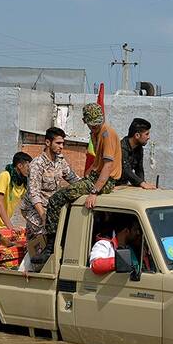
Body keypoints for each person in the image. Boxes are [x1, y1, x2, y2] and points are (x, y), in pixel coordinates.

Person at [37, 104, 122, 258]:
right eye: (92, 125)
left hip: (105, 180)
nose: (94, 127)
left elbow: (108, 165)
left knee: (56, 199)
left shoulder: (106, 134)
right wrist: (87, 179)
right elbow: (97, 162)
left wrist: (94, 191)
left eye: (97, 124)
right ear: (86, 121)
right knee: (66, 199)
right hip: (96, 177)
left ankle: (51, 246)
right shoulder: (95, 133)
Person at [20, 127, 80, 241]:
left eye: (63, 143)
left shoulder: (60, 161)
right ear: (47, 142)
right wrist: (43, 216)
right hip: (35, 210)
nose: (61, 146)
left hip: (51, 208)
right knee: (44, 241)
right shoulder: (37, 164)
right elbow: (34, 194)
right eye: (58, 143)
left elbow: (74, 179)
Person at [0, 151, 32, 229]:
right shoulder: (5, 176)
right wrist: (10, 227)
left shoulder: (22, 183)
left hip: (2, 226)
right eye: (28, 166)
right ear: (20, 165)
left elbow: (27, 205)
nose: (30, 169)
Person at [119, 118, 156, 189]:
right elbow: (126, 170)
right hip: (112, 185)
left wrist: (142, 182)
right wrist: (141, 183)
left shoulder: (139, 148)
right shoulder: (121, 147)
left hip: (123, 185)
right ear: (137, 135)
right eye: (146, 134)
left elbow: (139, 169)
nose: (148, 137)